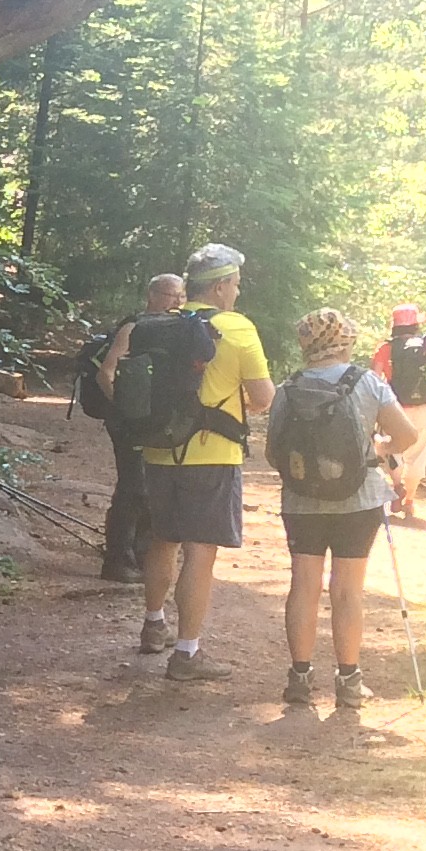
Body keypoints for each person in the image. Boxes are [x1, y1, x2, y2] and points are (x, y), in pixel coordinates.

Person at [136, 243, 274, 682]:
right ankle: (187, 653)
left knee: (162, 539)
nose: (236, 291)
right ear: (219, 287)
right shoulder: (236, 328)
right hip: (212, 455)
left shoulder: (160, 324)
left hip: (159, 447)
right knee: (199, 552)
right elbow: (264, 398)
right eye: (234, 284)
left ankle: (153, 624)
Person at [271, 308, 410, 710]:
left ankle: (299, 677)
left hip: (301, 501)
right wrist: (379, 449)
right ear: (344, 341)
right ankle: (348, 681)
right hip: (359, 499)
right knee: (347, 590)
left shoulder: (289, 388)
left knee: (304, 585)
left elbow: (273, 450)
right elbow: (406, 434)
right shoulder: (367, 382)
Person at [85, 274, 186, 581]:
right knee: (133, 486)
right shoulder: (134, 327)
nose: (177, 302)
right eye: (171, 295)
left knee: (153, 486)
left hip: (153, 422)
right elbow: (107, 373)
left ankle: (143, 557)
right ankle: (117, 560)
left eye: (181, 296)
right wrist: (127, 412)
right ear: (152, 295)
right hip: (129, 422)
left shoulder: (172, 330)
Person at [370, 303, 426, 527]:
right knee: (418, 451)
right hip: (424, 405)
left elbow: (374, 378)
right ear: (416, 324)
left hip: (395, 404)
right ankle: (409, 499)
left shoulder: (386, 348)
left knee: (393, 446)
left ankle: (397, 484)